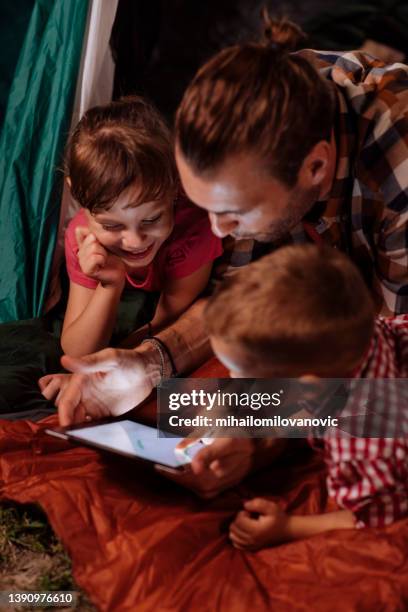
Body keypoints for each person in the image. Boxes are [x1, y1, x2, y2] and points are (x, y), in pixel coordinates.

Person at [40, 16, 408, 495]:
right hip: (346, 310)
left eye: (234, 213)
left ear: (315, 166)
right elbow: (233, 299)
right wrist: (148, 364)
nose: (217, 231)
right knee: (191, 395)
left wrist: (259, 441)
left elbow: (385, 387)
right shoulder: (259, 112)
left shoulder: (399, 176)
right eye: (206, 209)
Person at [204, 244, 408, 549]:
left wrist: (288, 528)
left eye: (240, 371)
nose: (232, 379)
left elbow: (378, 516)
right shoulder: (354, 328)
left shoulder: (363, 447)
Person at [43, 96, 222, 363]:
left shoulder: (194, 224)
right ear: (78, 197)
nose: (135, 241)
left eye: (151, 220)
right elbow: (77, 351)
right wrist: (110, 285)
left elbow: (171, 317)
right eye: (112, 225)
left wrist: (119, 359)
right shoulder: (83, 236)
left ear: (175, 187)